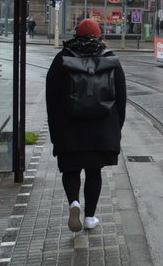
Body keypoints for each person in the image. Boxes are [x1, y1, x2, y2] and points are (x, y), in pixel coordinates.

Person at [45, 18, 127, 232]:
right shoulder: (111, 59)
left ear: (75, 35)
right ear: (99, 36)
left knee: (71, 170)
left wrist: (55, 131)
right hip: (101, 130)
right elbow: (121, 99)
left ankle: (74, 202)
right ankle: (90, 217)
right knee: (94, 172)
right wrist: (115, 130)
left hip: (69, 128)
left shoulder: (62, 59)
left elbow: (51, 99)